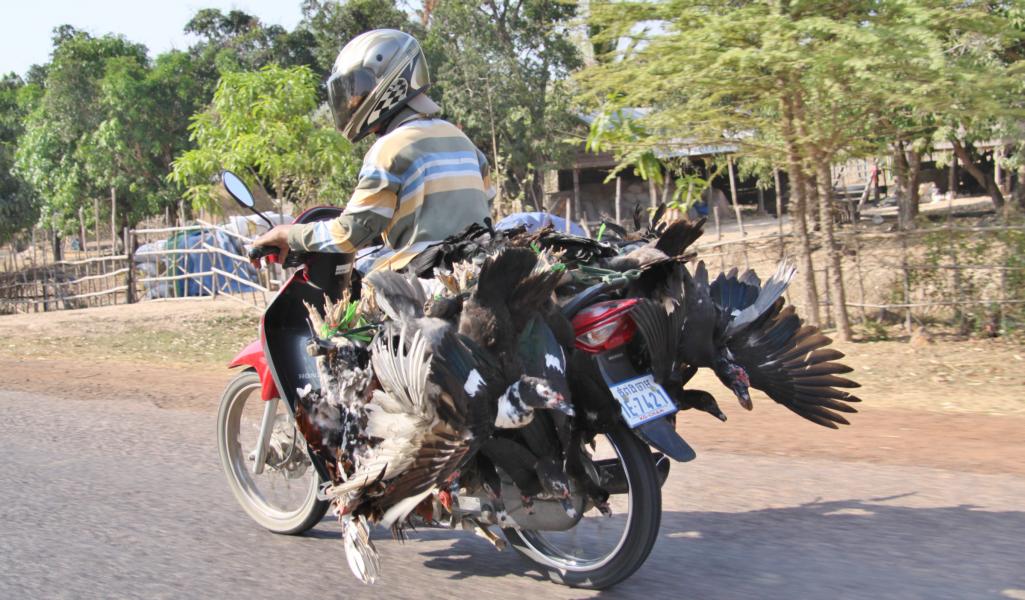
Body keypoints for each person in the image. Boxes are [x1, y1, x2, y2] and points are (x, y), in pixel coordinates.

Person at [252, 29, 495, 271]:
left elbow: (349, 233)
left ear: (391, 80)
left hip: (424, 280)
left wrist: (288, 234)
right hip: (480, 272)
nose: (351, 101)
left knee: (362, 279)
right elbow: (484, 203)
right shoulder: (462, 140)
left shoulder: (390, 148)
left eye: (359, 89)